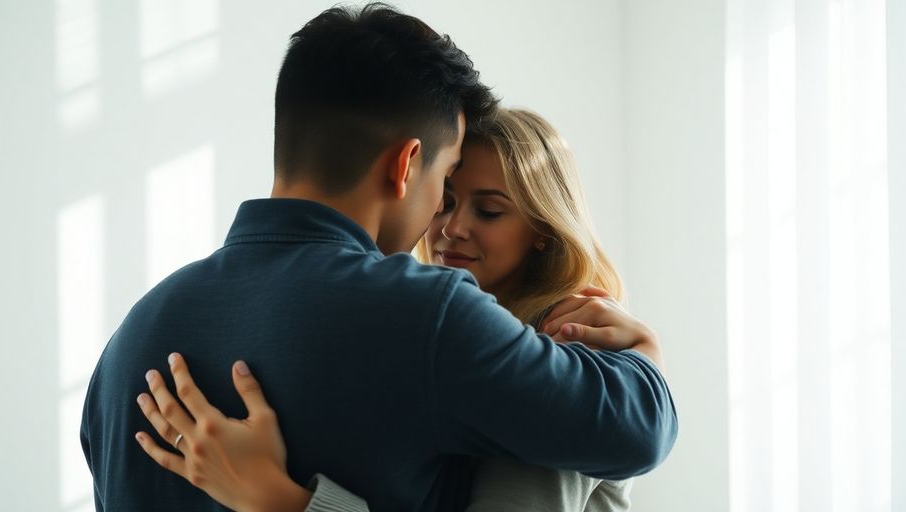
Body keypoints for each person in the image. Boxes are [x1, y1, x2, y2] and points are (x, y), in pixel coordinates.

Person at [81, 3, 677, 511]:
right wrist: (644, 356)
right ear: (405, 164)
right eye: (445, 185)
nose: (445, 220)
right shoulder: (427, 317)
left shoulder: (129, 341)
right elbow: (638, 429)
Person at [133, 109, 658, 512]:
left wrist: (282, 501)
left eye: (490, 210)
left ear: (544, 231)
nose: (453, 227)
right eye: (445, 200)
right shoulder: (425, 337)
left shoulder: (560, 356)